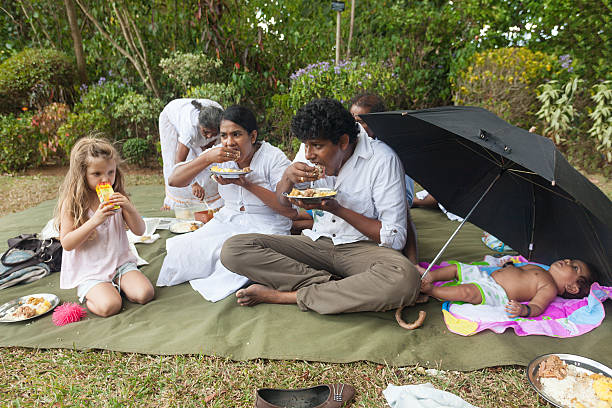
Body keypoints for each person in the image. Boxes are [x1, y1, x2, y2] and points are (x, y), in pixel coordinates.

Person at [220, 98, 420, 314]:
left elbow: (395, 237)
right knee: (233, 250)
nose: (308, 154)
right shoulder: (309, 153)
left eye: (317, 146)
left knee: (404, 278)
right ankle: (335, 286)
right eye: (306, 145)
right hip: (317, 243)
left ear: (343, 142)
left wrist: (337, 209)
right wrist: (287, 178)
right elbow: (282, 202)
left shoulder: (382, 160)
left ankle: (288, 296)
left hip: (362, 249)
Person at [156, 106, 296, 302]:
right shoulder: (218, 154)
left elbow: (289, 211)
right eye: (224, 136)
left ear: (253, 136)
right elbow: (174, 180)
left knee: (231, 258)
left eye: (236, 135)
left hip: (267, 225)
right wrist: (206, 158)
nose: (229, 142)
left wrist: (245, 183)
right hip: (227, 220)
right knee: (183, 251)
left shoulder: (273, 158)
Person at [55, 137, 154, 317]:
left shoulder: (117, 195)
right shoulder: (73, 203)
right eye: (97, 174)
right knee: (110, 306)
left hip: (120, 263)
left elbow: (140, 231)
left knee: (145, 294)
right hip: (91, 270)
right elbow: (67, 243)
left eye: (110, 172)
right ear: (82, 174)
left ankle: (117, 284)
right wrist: (96, 220)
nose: (105, 179)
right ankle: (96, 292)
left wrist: (129, 208)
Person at [349, 93, 418, 263]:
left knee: (402, 216)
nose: (356, 127)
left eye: (362, 121)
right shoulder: (350, 145)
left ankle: (413, 261)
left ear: (376, 122)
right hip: (364, 208)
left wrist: (413, 262)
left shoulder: (388, 152)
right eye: (353, 121)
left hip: (394, 205)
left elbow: (403, 206)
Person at [418, 259, 593, 317]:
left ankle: (431, 290)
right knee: (458, 268)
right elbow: (519, 272)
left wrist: (523, 309)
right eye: (571, 260)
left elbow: (538, 307)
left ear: (572, 288)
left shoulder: (549, 287)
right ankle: (430, 275)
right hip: (487, 277)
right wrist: (509, 265)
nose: (568, 261)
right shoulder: (541, 268)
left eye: (575, 268)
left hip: (496, 292)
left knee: (468, 292)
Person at [159, 98, 224, 210]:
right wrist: (194, 184)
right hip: (171, 119)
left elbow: (212, 148)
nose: (209, 136)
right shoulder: (189, 129)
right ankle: (174, 202)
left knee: (210, 162)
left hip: (209, 117)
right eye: (206, 132)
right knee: (181, 164)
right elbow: (178, 163)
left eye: (213, 134)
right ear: (199, 125)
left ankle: (214, 203)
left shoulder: (223, 122)